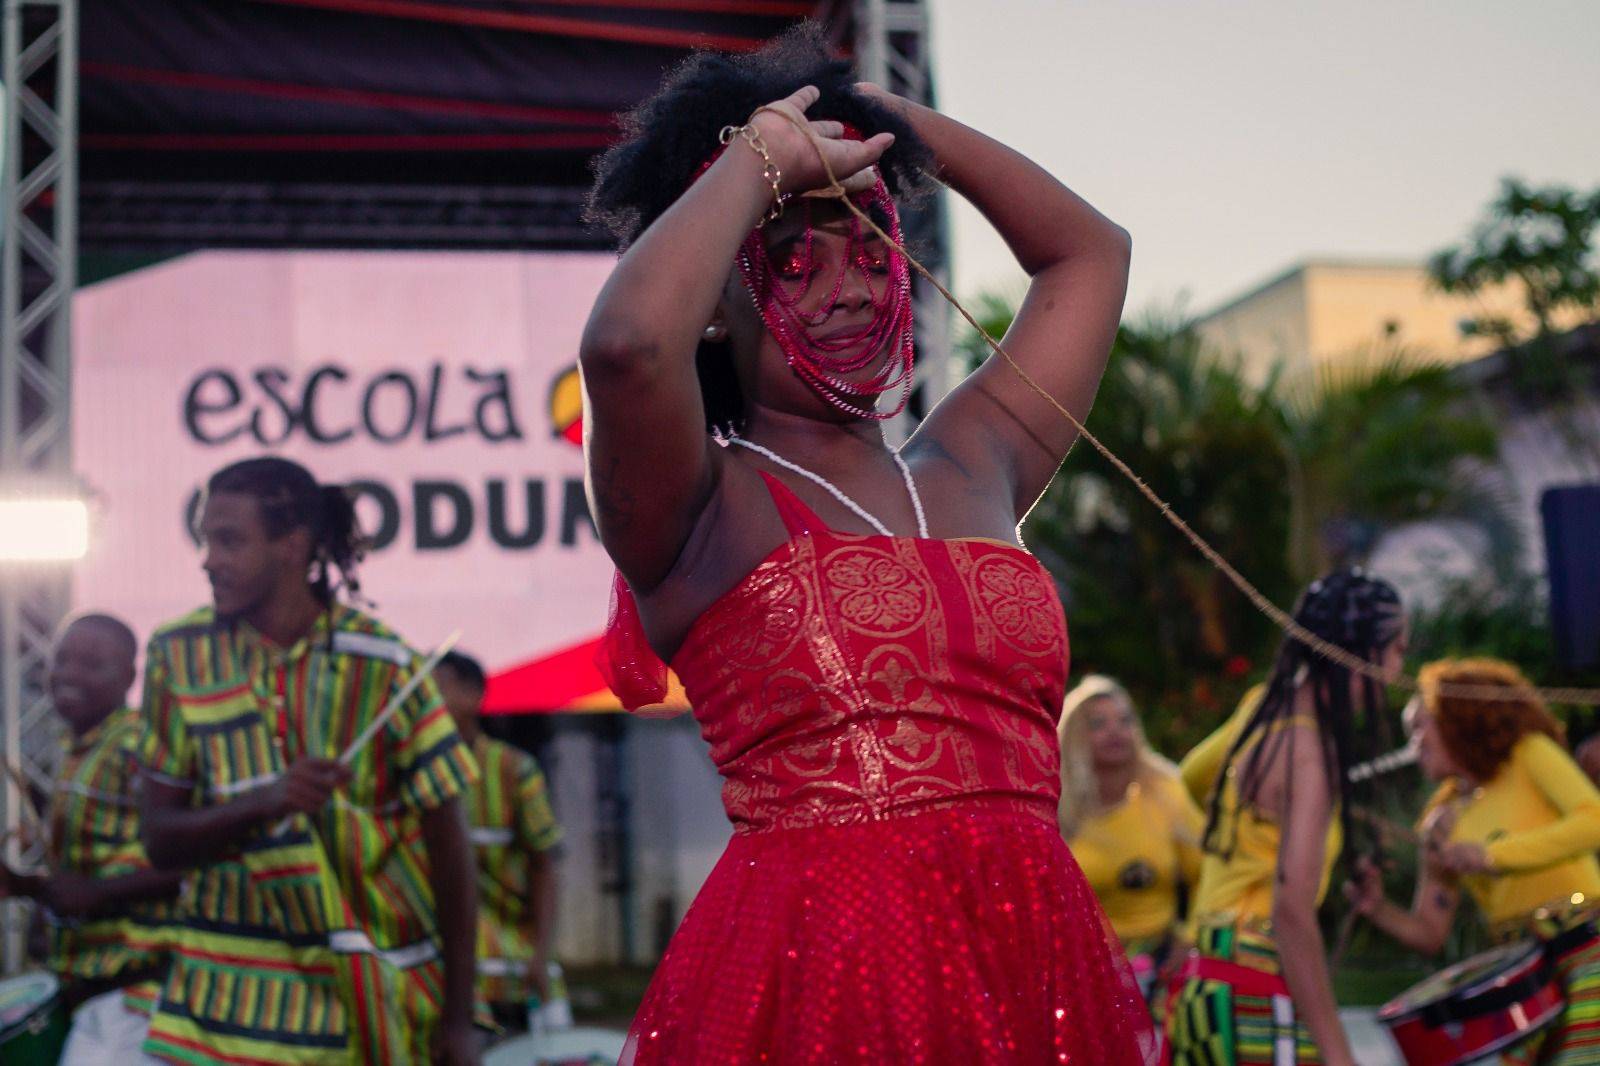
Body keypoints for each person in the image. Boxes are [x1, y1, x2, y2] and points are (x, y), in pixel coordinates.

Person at [582, 24, 1152, 1065]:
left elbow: (1091, 251)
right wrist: (759, 158)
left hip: (1033, 961)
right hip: (823, 982)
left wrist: (876, 125)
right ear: (717, 306)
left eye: (872, 247)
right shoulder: (703, 502)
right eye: (793, 262)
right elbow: (624, 347)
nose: (848, 286)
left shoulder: (975, 459)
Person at [135, 456, 481, 1066]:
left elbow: (452, 853)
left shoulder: (386, 666)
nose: (208, 559)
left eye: (229, 540)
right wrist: (268, 799)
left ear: (292, 547)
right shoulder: (179, 654)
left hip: (361, 1002)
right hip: (218, 1009)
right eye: (206, 538)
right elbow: (159, 839)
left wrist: (459, 1020)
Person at [1165, 571, 1407, 1066]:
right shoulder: (1309, 755)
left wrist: (1246, 824)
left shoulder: (1263, 714)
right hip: (1255, 983)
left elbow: (1191, 775)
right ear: (1363, 653)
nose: (1401, 669)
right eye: (1399, 649)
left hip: (1203, 984)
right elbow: (1292, 914)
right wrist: (1339, 1053)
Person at [1346, 657, 1600, 1065]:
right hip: (1519, 975)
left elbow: (1594, 820)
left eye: (1418, 727)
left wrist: (1492, 856)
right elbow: (1429, 932)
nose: (1412, 743)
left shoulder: (1529, 754)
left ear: (1460, 719)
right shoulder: (1442, 814)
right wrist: (1377, 908)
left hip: (1584, 950)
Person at [0, 613, 182, 1061]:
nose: (68, 675)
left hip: (141, 994)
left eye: (91, 664)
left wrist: (98, 891)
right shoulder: (75, 748)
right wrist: (24, 886)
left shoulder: (138, 743)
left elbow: (190, 858)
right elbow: (83, 881)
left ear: (129, 677)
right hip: (93, 992)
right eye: (61, 660)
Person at [432, 651, 563, 1034]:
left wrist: (541, 954)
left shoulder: (512, 770)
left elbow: (545, 866)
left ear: (474, 696)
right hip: (438, 971)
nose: (426, 703)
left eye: (438, 689)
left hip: (507, 972)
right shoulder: (416, 774)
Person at [1058, 675, 1204, 994]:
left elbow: (1206, 873)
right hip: (1081, 970)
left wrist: (1190, 937)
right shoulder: (1056, 805)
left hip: (1162, 964)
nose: (1115, 731)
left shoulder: (1166, 791)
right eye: (1098, 724)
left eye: (1125, 720)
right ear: (1075, 738)